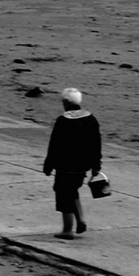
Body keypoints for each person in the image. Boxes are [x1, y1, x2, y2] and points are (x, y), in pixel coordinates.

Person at [42, 87, 101, 239]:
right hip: (83, 165)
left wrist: (49, 165)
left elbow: (54, 145)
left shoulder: (63, 120)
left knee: (63, 193)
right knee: (72, 190)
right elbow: (96, 144)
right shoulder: (91, 119)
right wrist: (96, 166)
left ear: (65, 102)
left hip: (65, 165)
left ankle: (67, 229)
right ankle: (80, 220)